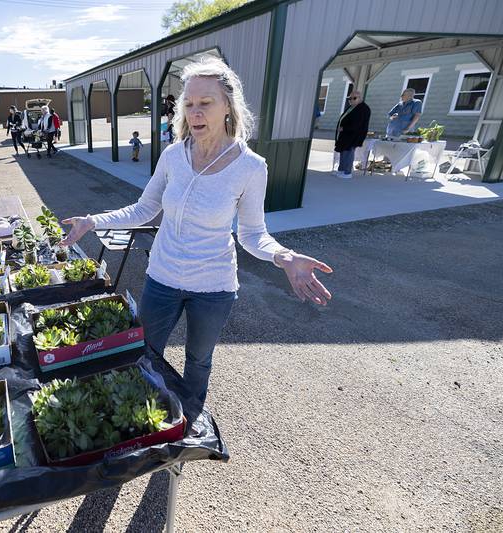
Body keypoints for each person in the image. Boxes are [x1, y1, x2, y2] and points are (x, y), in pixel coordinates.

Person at [60, 56, 332, 404]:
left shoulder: (251, 167)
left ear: (228, 108)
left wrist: (284, 256)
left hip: (213, 287)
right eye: (188, 104)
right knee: (144, 352)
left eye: (206, 103)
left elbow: (251, 234)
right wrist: (92, 220)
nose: (195, 112)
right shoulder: (173, 155)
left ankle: (187, 422)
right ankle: (143, 422)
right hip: (162, 277)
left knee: (198, 361)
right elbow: (144, 208)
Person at [334, 90, 370, 179]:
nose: (351, 100)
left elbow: (358, 124)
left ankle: (347, 172)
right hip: (346, 134)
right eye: (350, 98)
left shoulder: (363, 109)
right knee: (343, 151)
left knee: (348, 152)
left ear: (360, 98)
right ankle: (341, 170)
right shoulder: (352, 107)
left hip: (353, 135)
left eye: (354, 98)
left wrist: (344, 128)